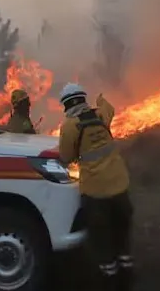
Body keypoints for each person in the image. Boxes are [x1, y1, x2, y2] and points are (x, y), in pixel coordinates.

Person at [57, 83, 133, 291]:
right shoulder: (100, 115)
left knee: (102, 241)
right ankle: (127, 278)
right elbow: (109, 107)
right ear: (83, 98)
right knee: (122, 235)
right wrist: (100, 98)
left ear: (66, 104)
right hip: (120, 186)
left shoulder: (70, 126)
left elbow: (66, 157)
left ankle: (110, 281)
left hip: (96, 193)